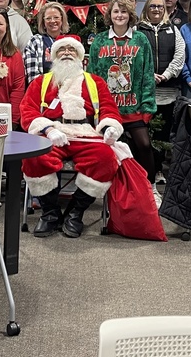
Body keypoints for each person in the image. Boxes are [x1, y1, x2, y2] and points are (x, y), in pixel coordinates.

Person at [20, 35, 124, 238]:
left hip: (86, 134)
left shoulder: (95, 82)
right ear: (53, 55)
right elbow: (27, 111)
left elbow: (109, 110)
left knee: (105, 158)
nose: (67, 53)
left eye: (71, 50)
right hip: (51, 134)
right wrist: (48, 130)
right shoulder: (41, 82)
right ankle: (50, 214)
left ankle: (75, 213)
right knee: (35, 157)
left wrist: (109, 128)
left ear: (80, 56)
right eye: (62, 49)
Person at [87, 0, 157, 189]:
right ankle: (112, 191)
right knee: (108, 151)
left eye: (124, 11)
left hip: (133, 106)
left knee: (143, 145)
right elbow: (92, 76)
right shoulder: (100, 40)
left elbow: (147, 74)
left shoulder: (140, 39)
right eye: (116, 11)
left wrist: (147, 105)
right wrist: (95, 108)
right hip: (108, 110)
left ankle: (149, 187)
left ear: (130, 15)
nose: (120, 15)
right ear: (110, 14)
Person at [136, 0, 186, 168]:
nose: (156, 10)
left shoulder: (173, 30)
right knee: (144, 137)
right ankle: (144, 171)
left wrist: (166, 75)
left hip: (168, 93)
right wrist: (148, 76)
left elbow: (180, 55)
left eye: (160, 7)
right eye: (152, 6)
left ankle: (157, 170)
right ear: (146, 9)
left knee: (163, 136)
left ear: (165, 10)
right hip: (144, 94)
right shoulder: (137, 30)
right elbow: (134, 58)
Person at [24, 1, 69, 84]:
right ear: (43, 22)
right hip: (42, 90)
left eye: (56, 17)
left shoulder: (70, 42)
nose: (52, 21)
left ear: (62, 20)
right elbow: (32, 77)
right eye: (48, 18)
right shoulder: (35, 42)